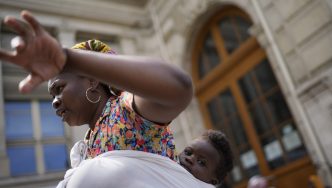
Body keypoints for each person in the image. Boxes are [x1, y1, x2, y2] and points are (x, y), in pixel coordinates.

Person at [0, 10, 193, 162]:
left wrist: (68, 58)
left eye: (59, 89)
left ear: (92, 80)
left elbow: (179, 87)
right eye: (52, 97)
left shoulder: (126, 110)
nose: (54, 103)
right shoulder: (86, 145)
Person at [58, 129, 232, 188]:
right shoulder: (160, 163)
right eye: (188, 152)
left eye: (201, 162)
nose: (190, 159)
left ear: (213, 180)